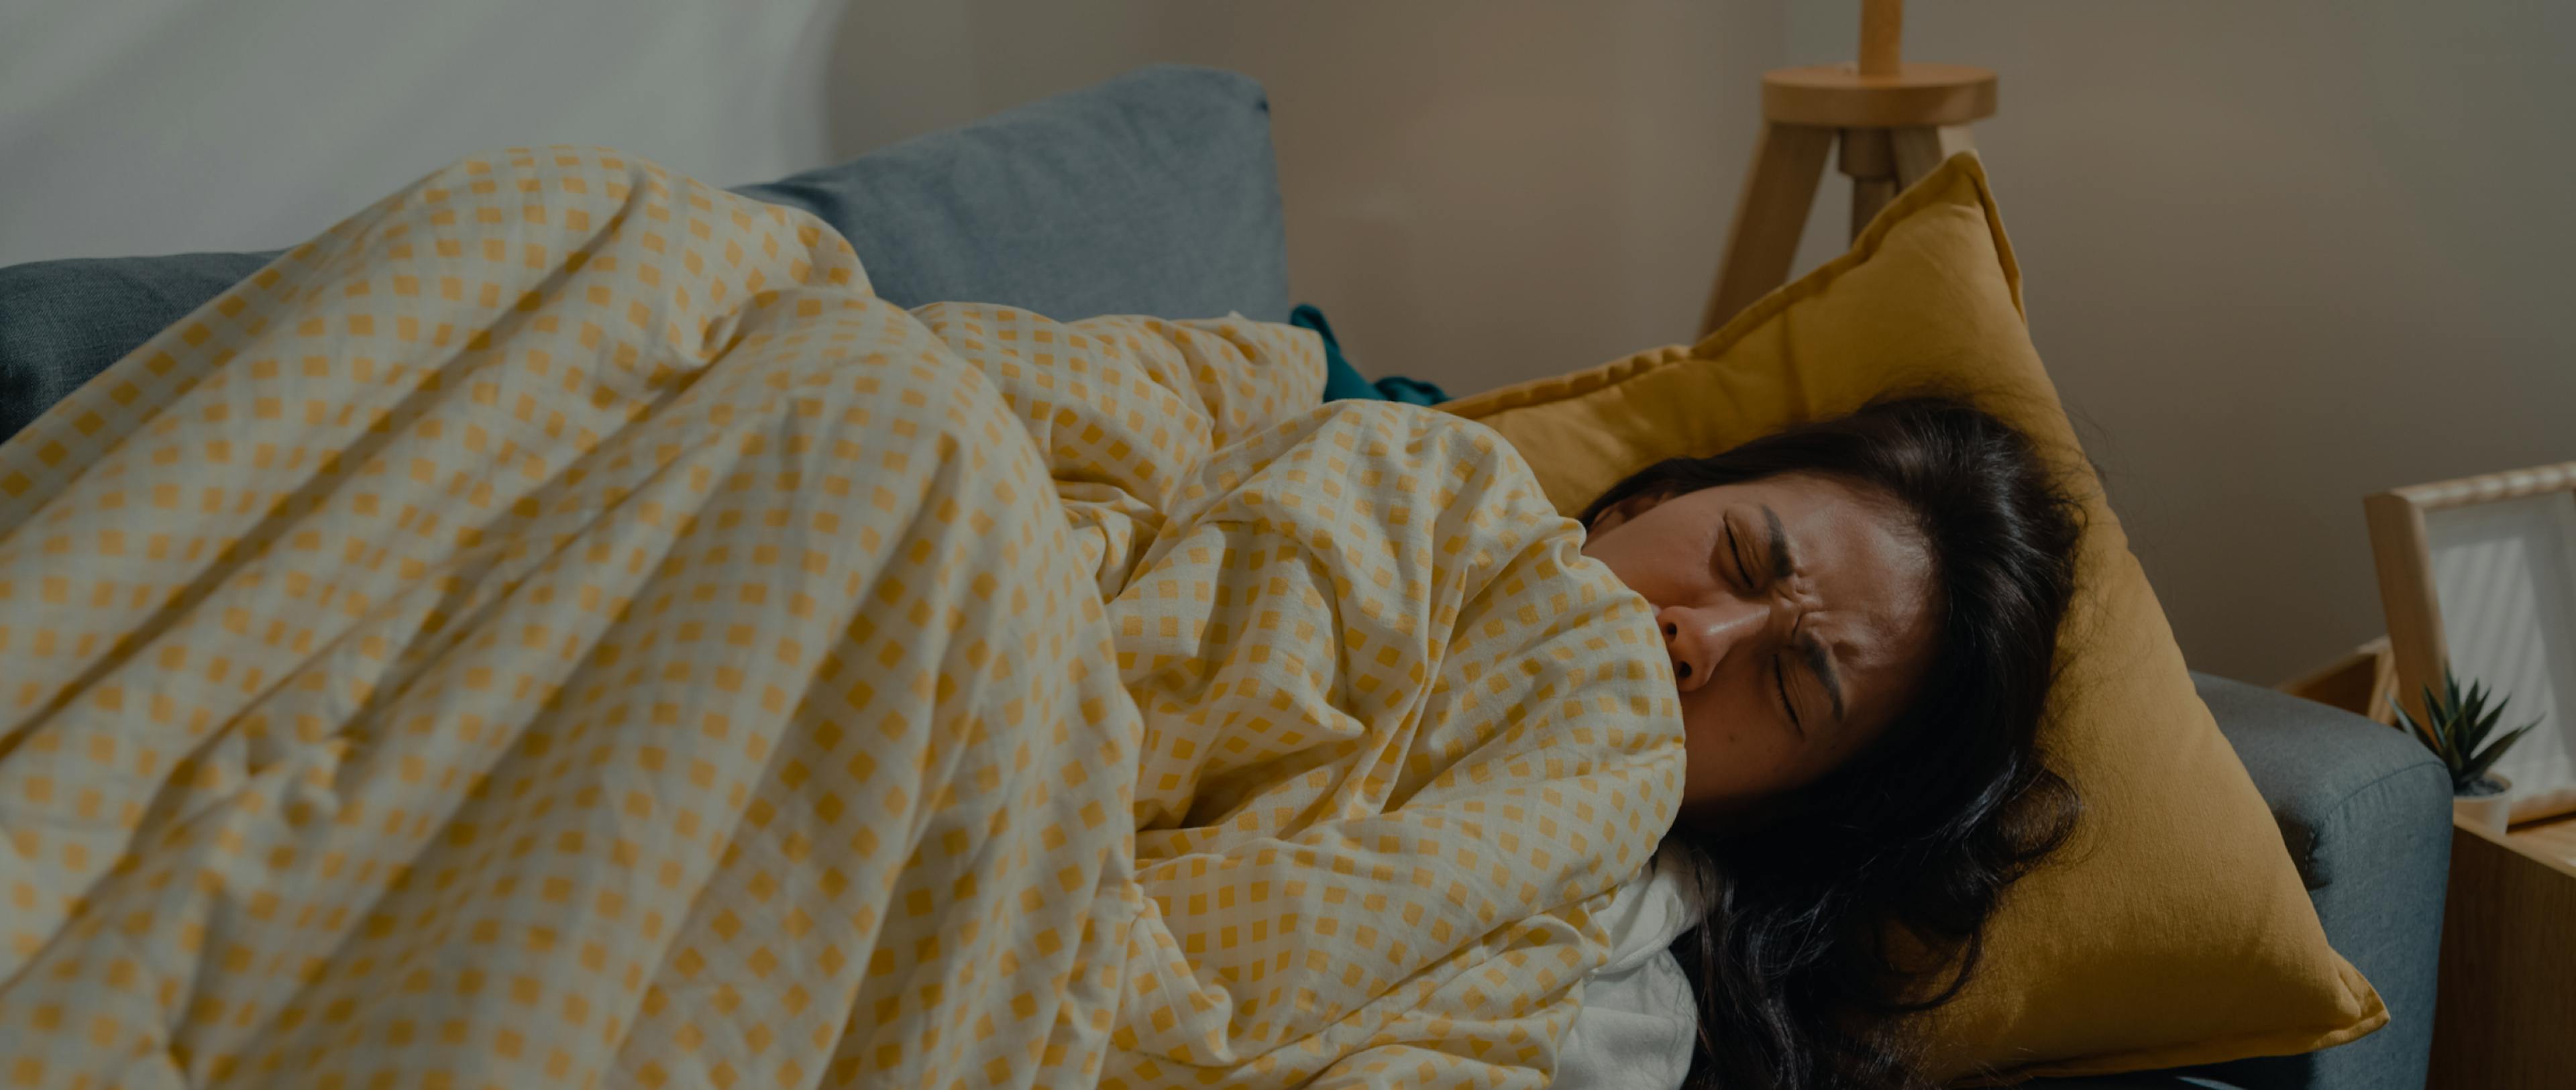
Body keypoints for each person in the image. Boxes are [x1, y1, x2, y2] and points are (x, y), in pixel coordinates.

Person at [1576, 395, 2087, 1090]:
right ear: (1637, 505)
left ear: (1765, 806)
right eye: (1743, 558)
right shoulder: (1414, 486)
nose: (1699, 638)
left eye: (1789, 687)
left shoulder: (1609, 1011)